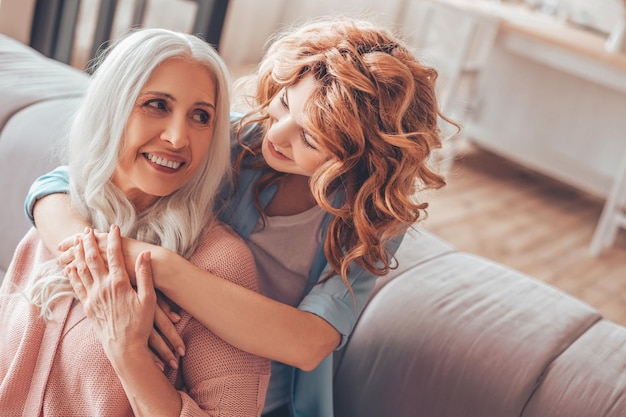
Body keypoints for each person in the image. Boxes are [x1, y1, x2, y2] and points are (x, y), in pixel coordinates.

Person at [24, 17, 455, 417]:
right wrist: (101, 264)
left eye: (310, 135)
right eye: (284, 104)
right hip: (174, 363)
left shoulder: (368, 220)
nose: (278, 133)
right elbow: (60, 185)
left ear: (361, 155)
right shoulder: (233, 138)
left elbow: (308, 343)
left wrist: (157, 266)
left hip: (259, 398)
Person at [1, 28, 270, 416]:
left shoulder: (220, 264)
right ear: (112, 106)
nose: (178, 138)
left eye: (200, 116)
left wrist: (127, 351)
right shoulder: (58, 217)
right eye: (157, 105)